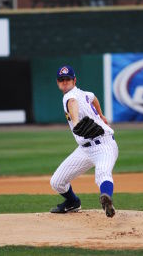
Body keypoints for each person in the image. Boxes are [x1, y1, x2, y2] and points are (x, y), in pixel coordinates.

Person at [50, 65, 119, 218]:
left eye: (68, 79)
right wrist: (100, 115)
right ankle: (73, 203)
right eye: (61, 80)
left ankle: (106, 198)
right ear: (57, 82)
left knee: (102, 173)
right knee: (57, 182)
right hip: (85, 149)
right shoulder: (83, 93)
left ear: (74, 80)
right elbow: (93, 97)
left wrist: (76, 122)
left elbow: (72, 104)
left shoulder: (70, 96)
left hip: (104, 144)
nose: (65, 82)